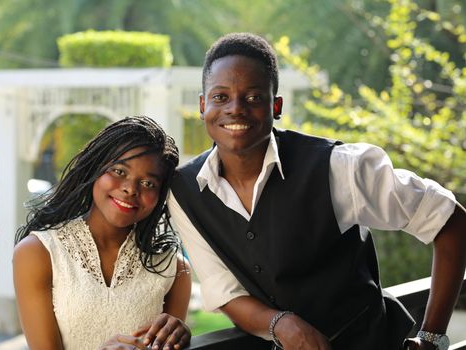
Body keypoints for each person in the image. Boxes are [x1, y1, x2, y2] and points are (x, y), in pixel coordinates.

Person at [168, 32, 466, 350]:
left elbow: (451, 221)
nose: (236, 109)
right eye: (221, 97)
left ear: (276, 105)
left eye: (254, 97)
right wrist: (281, 324)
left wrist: (431, 336)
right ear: (202, 105)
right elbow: (224, 291)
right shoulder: (185, 191)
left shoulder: (338, 167)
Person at [14, 116, 192, 350]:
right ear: (95, 169)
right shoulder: (38, 253)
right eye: (119, 171)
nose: (130, 188)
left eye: (149, 183)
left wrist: (181, 336)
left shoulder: (174, 269)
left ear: (159, 196)